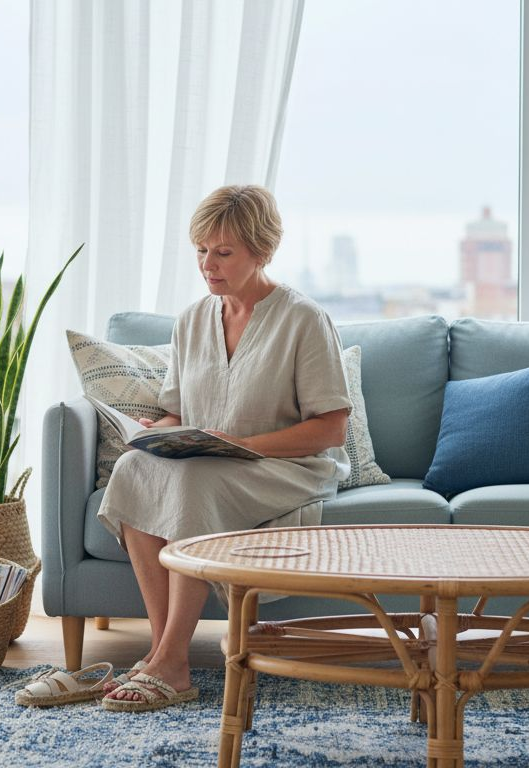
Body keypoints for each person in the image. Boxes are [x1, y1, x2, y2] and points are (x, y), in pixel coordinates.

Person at [97, 184, 352, 711]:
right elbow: (178, 410)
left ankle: (169, 660)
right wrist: (155, 430)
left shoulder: (304, 320)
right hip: (211, 459)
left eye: (223, 252)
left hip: (286, 467)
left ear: (261, 251)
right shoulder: (193, 320)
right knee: (131, 470)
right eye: (201, 251)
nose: (207, 265)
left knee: (193, 482)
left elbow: (331, 428)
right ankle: (166, 652)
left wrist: (244, 444)